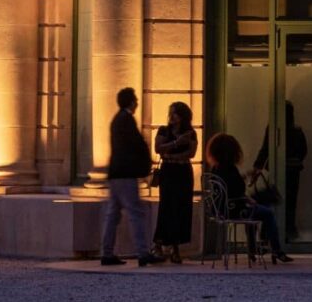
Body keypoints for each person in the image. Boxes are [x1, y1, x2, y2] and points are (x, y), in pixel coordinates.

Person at [207, 133, 292, 263]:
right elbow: (235, 190)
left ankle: (253, 250)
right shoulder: (230, 168)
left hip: (221, 209)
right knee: (268, 213)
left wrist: (246, 177)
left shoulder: (216, 169)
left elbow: (228, 187)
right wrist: (247, 199)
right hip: (235, 209)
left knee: (258, 208)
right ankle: (276, 250)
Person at [98, 88, 157, 267]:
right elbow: (136, 144)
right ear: (131, 102)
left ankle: (107, 253)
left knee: (113, 214)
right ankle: (142, 252)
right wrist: (145, 163)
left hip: (116, 173)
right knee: (135, 213)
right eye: (136, 100)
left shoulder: (117, 120)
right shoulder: (126, 119)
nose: (138, 103)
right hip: (125, 173)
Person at [152, 102, 198, 264]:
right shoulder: (163, 130)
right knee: (167, 206)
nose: (171, 117)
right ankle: (159, 243)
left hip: (183, 172)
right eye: (170, 113)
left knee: (182, 207)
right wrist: (177, 144)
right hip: (169, 172)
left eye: (175, 114)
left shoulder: (190, 133)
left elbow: (191, 153)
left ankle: (176, 247)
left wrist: (172, 154)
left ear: (183, 116)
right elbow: (158, 149)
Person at [254, 102, 308, 240]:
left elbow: (265, 148)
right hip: (293, 171)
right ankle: (288, 232)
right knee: (290, 203)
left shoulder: (272, 128)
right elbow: (303, 151)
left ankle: (268, 234)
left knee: (273, 201)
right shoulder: (297, 131)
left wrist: (258, 165)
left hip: (277, 169)